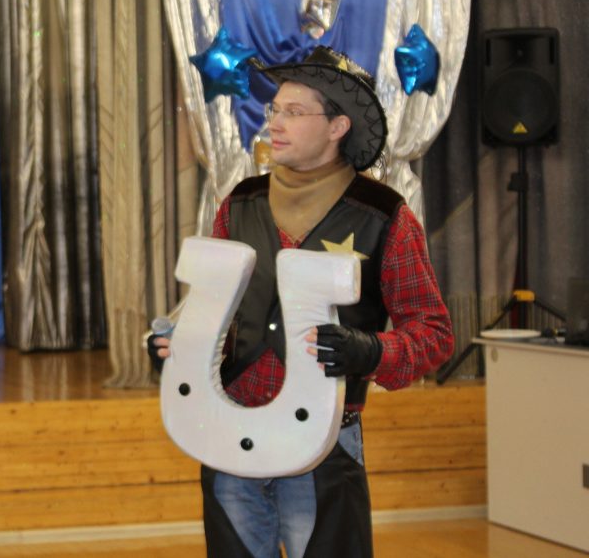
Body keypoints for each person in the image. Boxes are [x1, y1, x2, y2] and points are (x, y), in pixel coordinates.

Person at [148, 46, 454, 558]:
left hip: (324, 447)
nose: (274, 122)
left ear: (337, 126)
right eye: (274, 109)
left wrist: (371, 351)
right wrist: (180, 346)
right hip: (229, 436)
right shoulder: (239, 203)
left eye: (293, 111)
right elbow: (215, 311)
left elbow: (434, 333)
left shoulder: (384, 216)